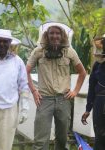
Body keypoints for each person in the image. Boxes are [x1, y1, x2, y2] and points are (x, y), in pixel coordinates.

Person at [26, 22, 86, 150]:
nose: (55, 36)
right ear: (46, 35)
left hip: (63, 99)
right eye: (51, 33)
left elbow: (82, 72)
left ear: (62, 35)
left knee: (62, 139)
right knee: (40, 141)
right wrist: (33, 91)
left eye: (58, 33)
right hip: (44, 99)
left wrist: (75, 91)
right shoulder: (38, 51)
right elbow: (25, 71)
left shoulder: (69, 52)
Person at [81, 34, 105, 150]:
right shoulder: (97, 65)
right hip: (99, 103)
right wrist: (87, 109)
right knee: (100, 137)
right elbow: (91, 88)